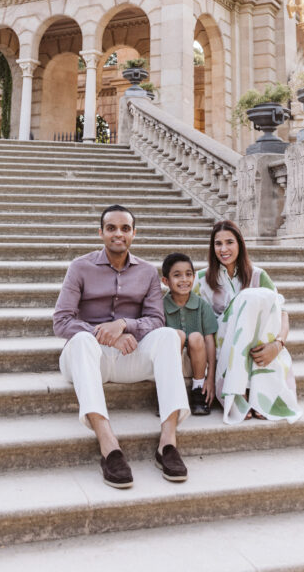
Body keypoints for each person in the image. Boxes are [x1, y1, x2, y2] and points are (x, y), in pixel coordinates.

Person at [53, 204, 190, 489]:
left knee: (167, 336)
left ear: (133, 234)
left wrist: (125, 325)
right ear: (101, 232)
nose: (118, 234)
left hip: (129, 357)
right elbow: (62, 321)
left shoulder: (148, 273)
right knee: (79, 340)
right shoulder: (80, 267)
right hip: (89, 358)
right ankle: (109, 445)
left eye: (125, 228)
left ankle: (168, 443)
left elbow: (155, 319)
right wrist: (107, 334)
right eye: (112, 228)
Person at [194, 219, 302, 425]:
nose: (223, 249)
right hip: (223, 342)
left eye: (229, 242)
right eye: (218, 244)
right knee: (246, 299)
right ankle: (239, 391)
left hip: (256, 341)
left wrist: (278, 344)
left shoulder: (259, 275)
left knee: (260, 299)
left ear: (240, 244)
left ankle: (262, 395)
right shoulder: (201, 279)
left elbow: (281, 313)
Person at [161, 252, 218, 416]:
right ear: (165, 281)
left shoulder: (202, 305)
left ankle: (198, 389)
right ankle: (169, 391)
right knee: (175, 335)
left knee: (196, 337)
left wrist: (211, 377)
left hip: (198, 361)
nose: (184, 280)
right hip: (171, 362)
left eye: (188, 274)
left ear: (194, 277)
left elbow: (209, 342)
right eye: (177, 275)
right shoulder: (160, 306)